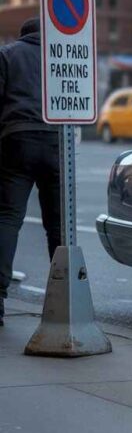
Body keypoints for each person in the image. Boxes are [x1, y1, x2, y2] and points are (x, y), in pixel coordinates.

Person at [0, 18, 57, 327]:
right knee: (59, 225)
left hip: (17, 140)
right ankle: (66, 297)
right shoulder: (60, 56)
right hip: (55, 143)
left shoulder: (7, 55)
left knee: (8, 219)